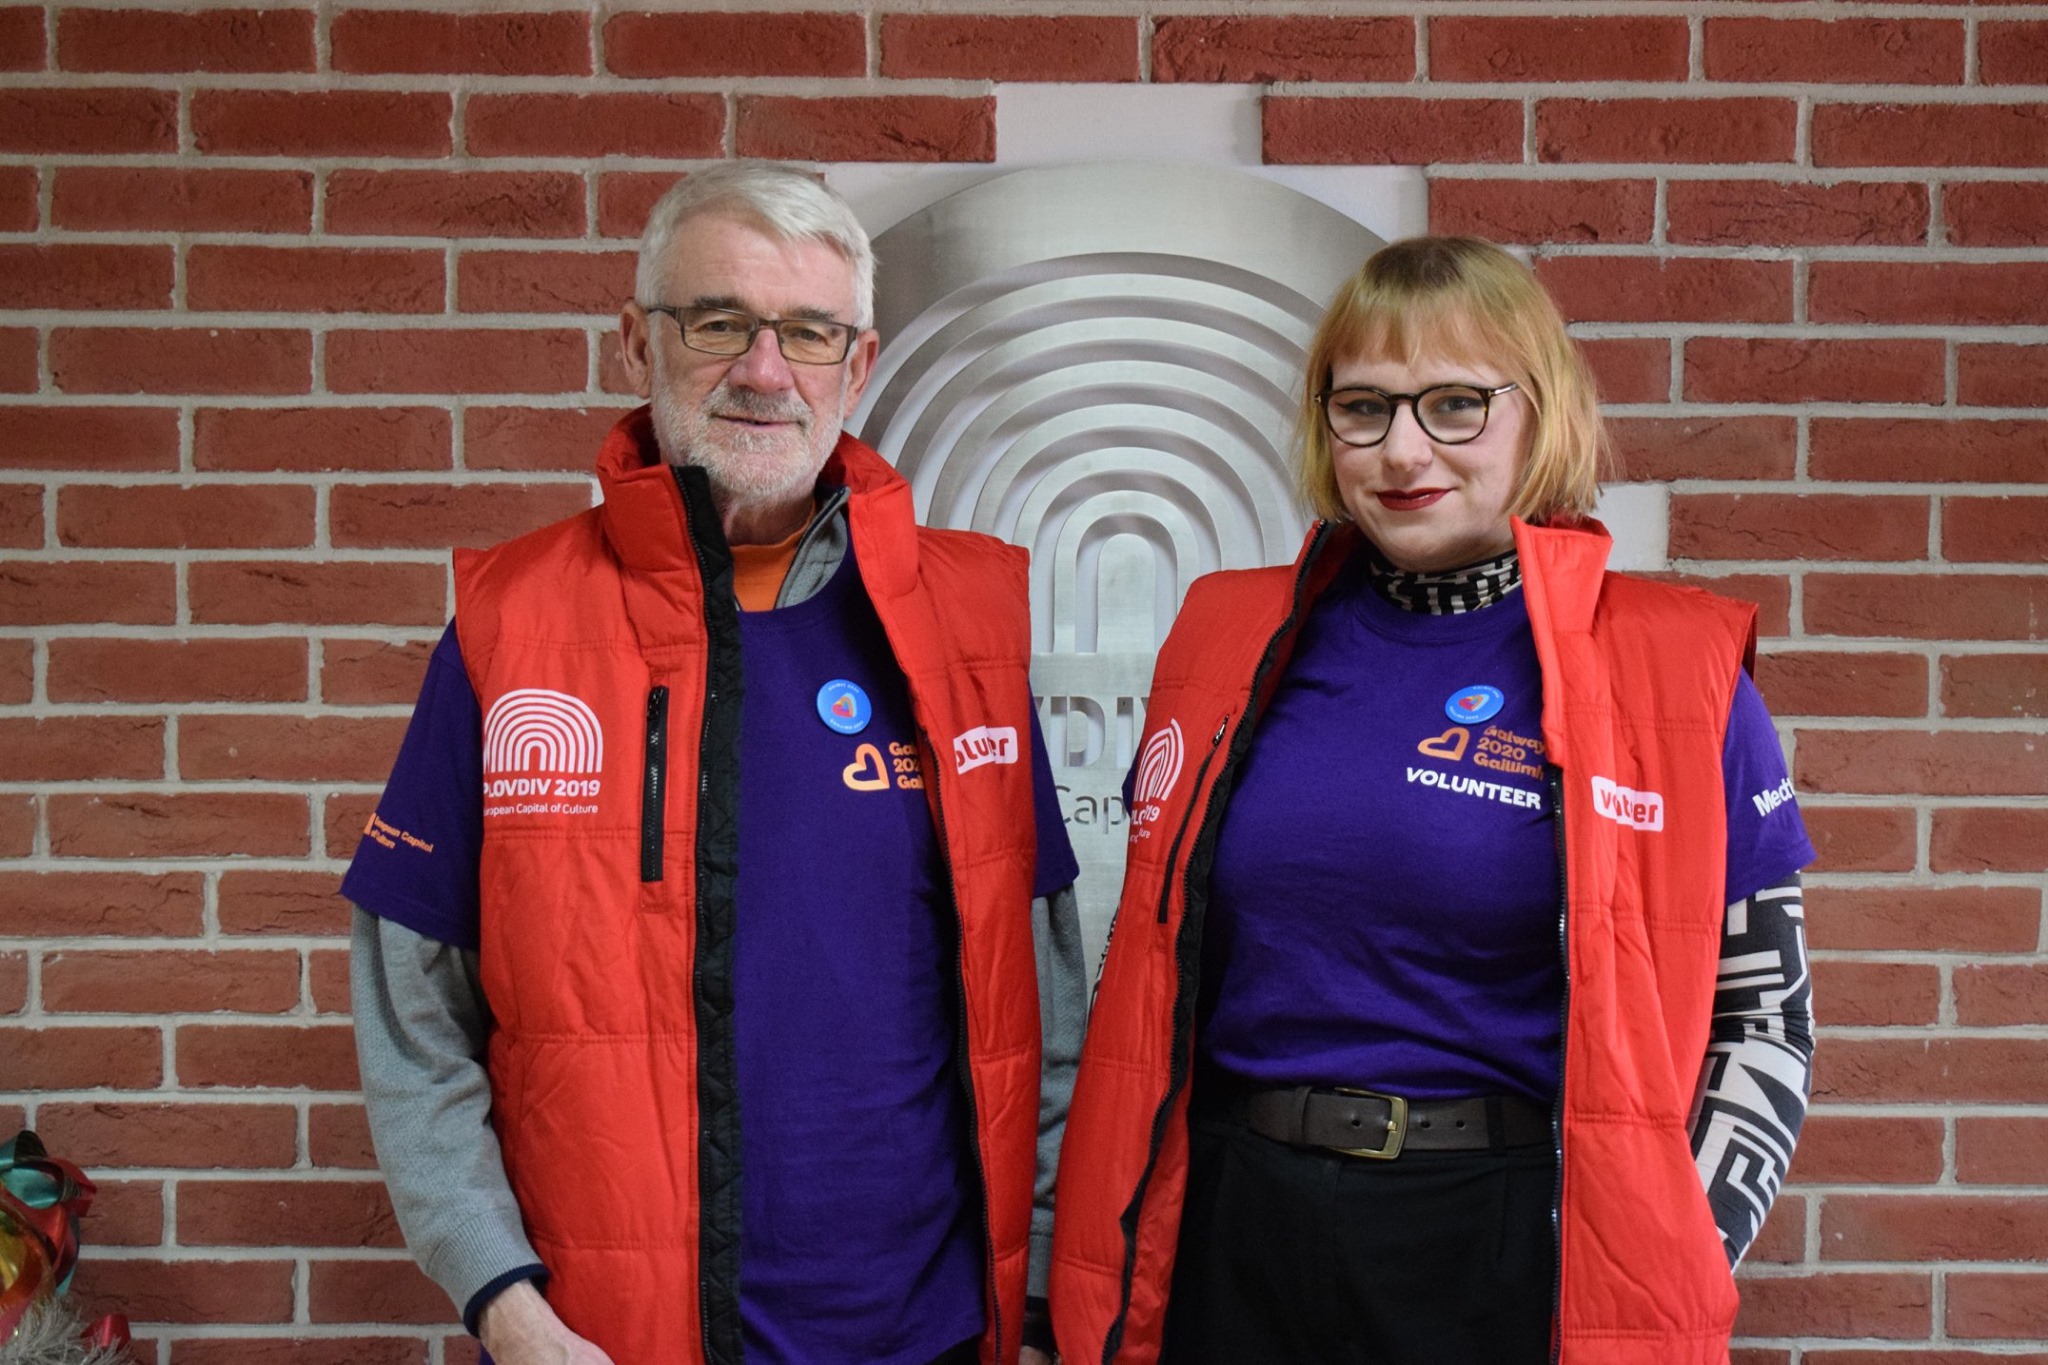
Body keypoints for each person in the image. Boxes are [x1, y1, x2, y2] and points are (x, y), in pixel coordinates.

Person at [343, 162, 1084, 1365]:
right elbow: (411, 1012)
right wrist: (504, 1304)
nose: (762, 369)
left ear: (862, 362)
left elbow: (1041, 1006)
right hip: (606, 1339)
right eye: (719, 321)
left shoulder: (970, 623)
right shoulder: (513, 623)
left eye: (807, 332)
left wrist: (1042, 1299)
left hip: (930, 1333)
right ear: (636, 341)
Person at [1050, 236, 1815, 1365]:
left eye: (1454, 404)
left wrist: (1668, 1253)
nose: (1402, 450)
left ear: (1537, 413)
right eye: (1362, 407)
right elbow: (1152, 971)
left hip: (1496, 1242)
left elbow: (1763, 1021)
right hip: (1234, 1226)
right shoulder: (1224, 636)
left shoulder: (1673, 670)